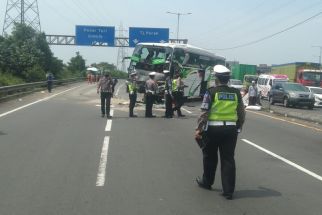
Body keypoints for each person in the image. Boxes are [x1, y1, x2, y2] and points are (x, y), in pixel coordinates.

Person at [195, 65, 245, 200]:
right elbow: (241, 112)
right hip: (230, 130)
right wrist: (238, 126)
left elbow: (204, 113)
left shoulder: (211, 92)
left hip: (212, 129)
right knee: (228, 159)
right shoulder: (235, 93)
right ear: (228, 79)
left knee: (210, 157)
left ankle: (207, 182)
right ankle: (228, 191)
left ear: (216, 78)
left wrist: (198, 129)